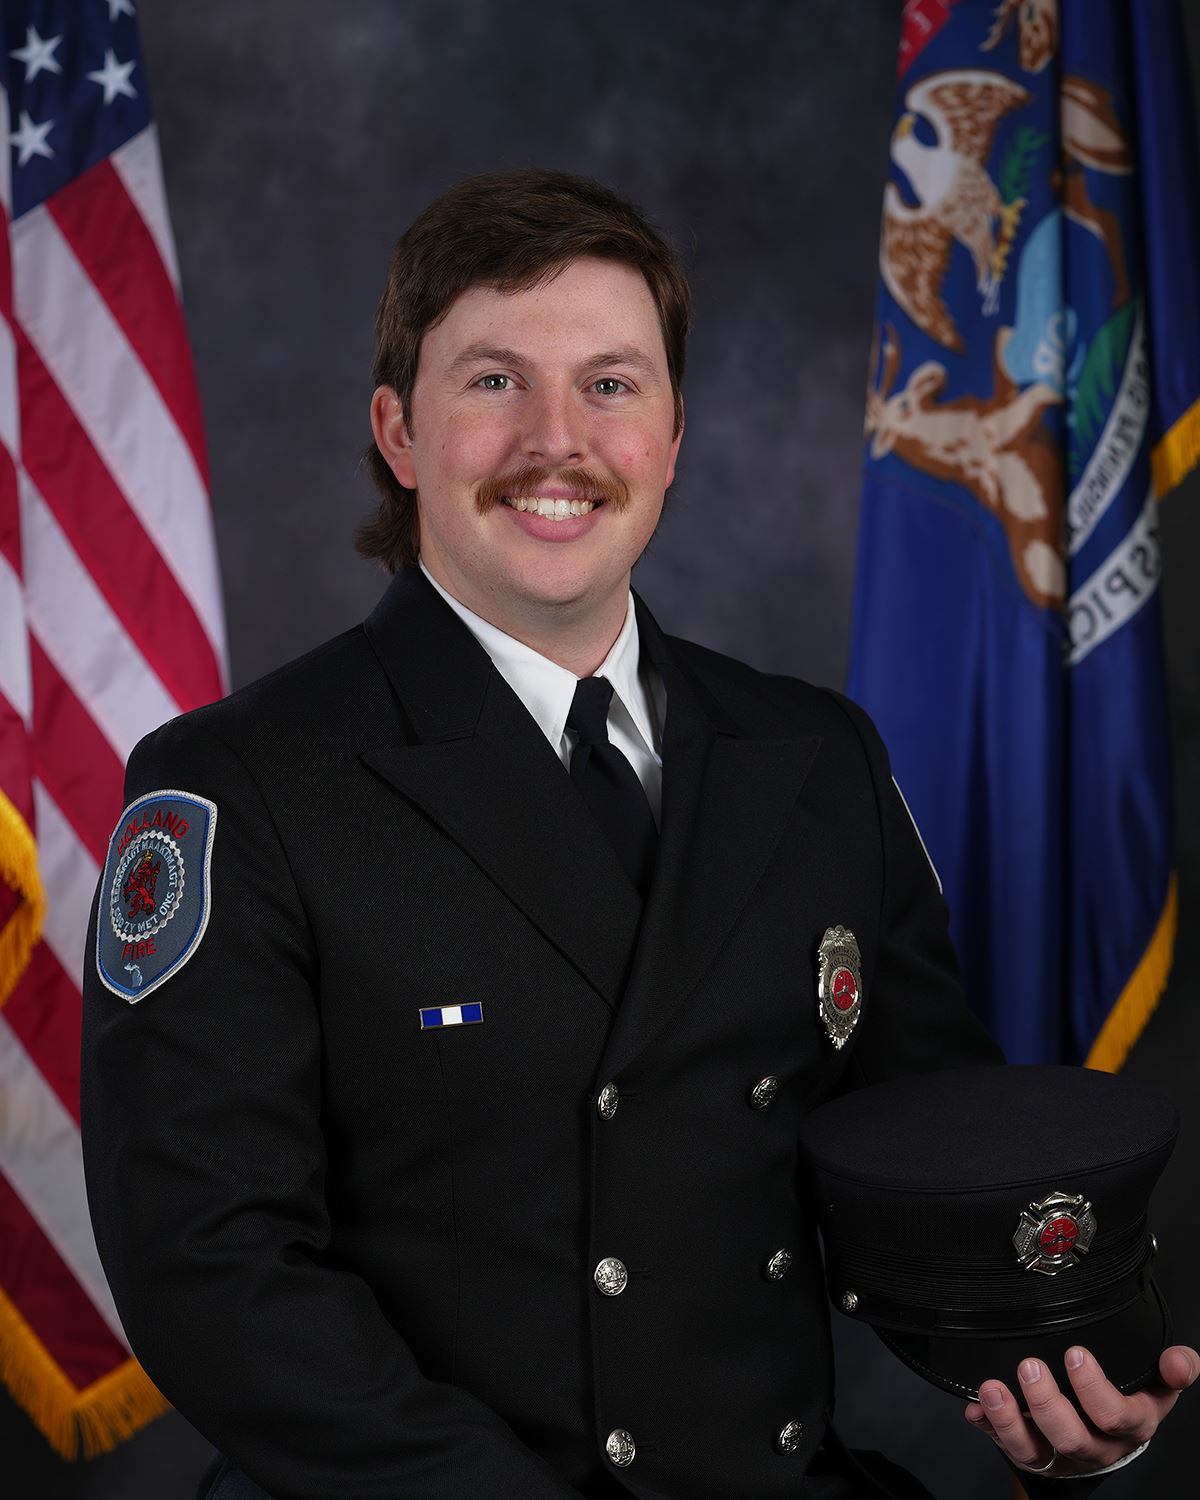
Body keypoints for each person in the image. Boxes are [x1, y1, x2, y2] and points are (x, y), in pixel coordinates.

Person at [81, 169, 1196, 1500]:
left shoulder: (818, 757)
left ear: (671, 437)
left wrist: (1061, 1378)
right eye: (495, 381)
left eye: (610, 384)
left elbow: (922, 1158)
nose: (557, 441)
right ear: (398, 431)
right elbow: (210, 1266)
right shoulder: (240, 783)